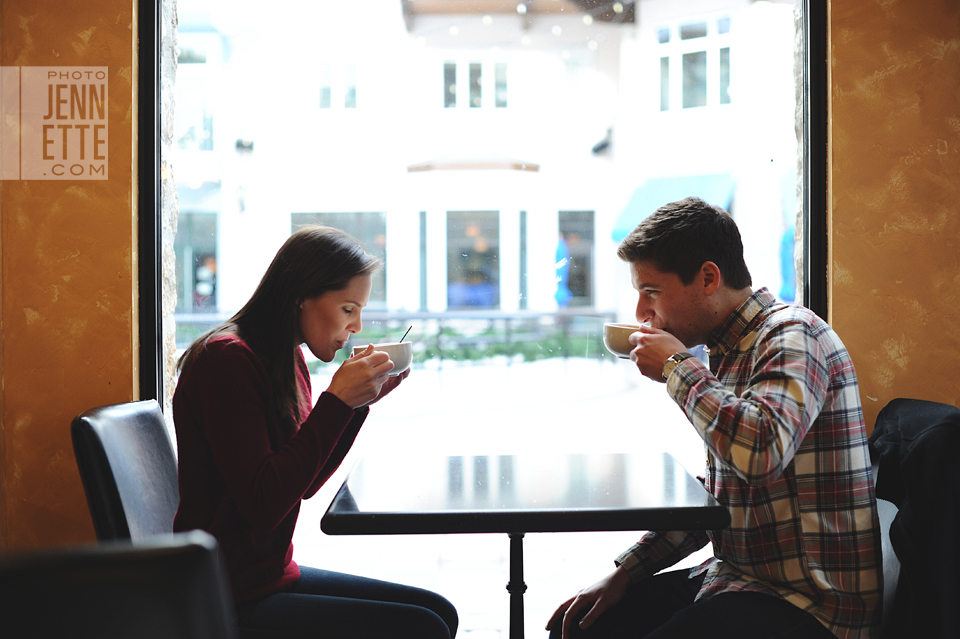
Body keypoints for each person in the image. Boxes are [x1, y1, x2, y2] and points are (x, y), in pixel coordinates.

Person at [546, 197, 881, 639]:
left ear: (708, 278)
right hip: (738, 579)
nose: (640, 314)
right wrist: (626, 573)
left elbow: (760, 454)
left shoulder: (794, 335)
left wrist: (676, 366)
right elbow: (721, 498)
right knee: (585, 628)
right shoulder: (728, 350)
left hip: (809, 605)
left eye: (651, 291)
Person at [173, 225, 458, 639]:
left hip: (266, 576)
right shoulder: (226, 361)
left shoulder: (286, 359)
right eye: (347, 309)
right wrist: (337, 403)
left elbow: (303, 484)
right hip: (226, 592)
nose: (357, 325)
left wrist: (357, 405)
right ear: (301, 296)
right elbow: (264, 505)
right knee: (424, 627)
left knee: (439, 612)